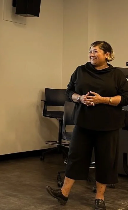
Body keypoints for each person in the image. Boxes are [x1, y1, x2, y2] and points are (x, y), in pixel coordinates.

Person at [46, 41, 128, 210]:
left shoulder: (117, 75)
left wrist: (103, 100)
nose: (91, 54)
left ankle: (100, 198)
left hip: (108, 125)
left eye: (95, 51)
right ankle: (64, 193)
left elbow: (126, 98)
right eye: (90, 51)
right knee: (75, 157)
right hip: (84, 122)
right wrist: (80, 98)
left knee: (105, 161)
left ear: (107, 54)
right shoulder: (80, 71)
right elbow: (69, 92)